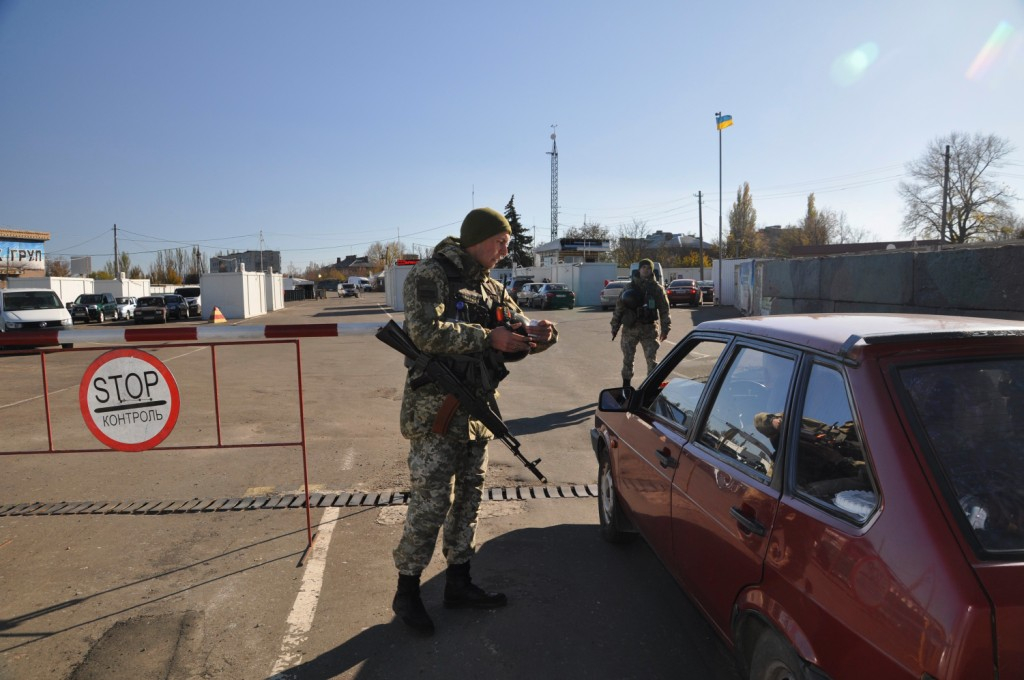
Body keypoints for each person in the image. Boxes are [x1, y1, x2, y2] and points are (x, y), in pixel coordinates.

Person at [392, 207, 558, 635]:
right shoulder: (430, 275)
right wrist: (488, 337)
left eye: (506, 244)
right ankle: (407, 591)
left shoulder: (489, 285)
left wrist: (536, 335)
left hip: (477, 409)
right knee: (431, 503)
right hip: (436, 413)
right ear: (478, 239)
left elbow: (513, 328)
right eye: (500, 243)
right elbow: (425, 333)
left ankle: (459, 583)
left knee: (469, 500)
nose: (505, 251)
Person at [610, 259, 670, 389]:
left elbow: (664, 309)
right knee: (628, 359)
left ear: (652, 270)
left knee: (651, 360)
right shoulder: (629, 287)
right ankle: (626, 388)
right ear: (639, 270)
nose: (646, 270)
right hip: (630, 329)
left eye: (648, 268)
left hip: (649, 329)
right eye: (643, 267)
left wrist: (666, 328)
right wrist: (615, 326)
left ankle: (651, 389)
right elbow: (619, 308)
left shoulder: (657, 289)